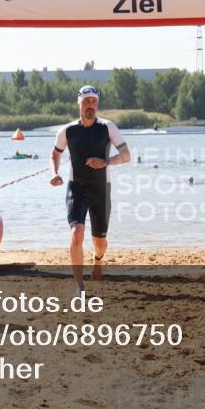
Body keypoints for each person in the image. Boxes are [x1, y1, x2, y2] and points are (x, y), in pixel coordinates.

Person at [50, 85, 131, 291]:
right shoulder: (67, 131)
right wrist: (54, 173)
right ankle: (80, 286)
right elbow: (55, 155)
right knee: (77, 233)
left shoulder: (107, 127)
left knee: (99, 241)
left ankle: (98, 259)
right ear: (79, 103)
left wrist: (105, 161)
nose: (90, 105)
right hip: (76, 188)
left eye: (94, 101)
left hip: (101, 189)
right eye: (86, 101)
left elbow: (126, 155)